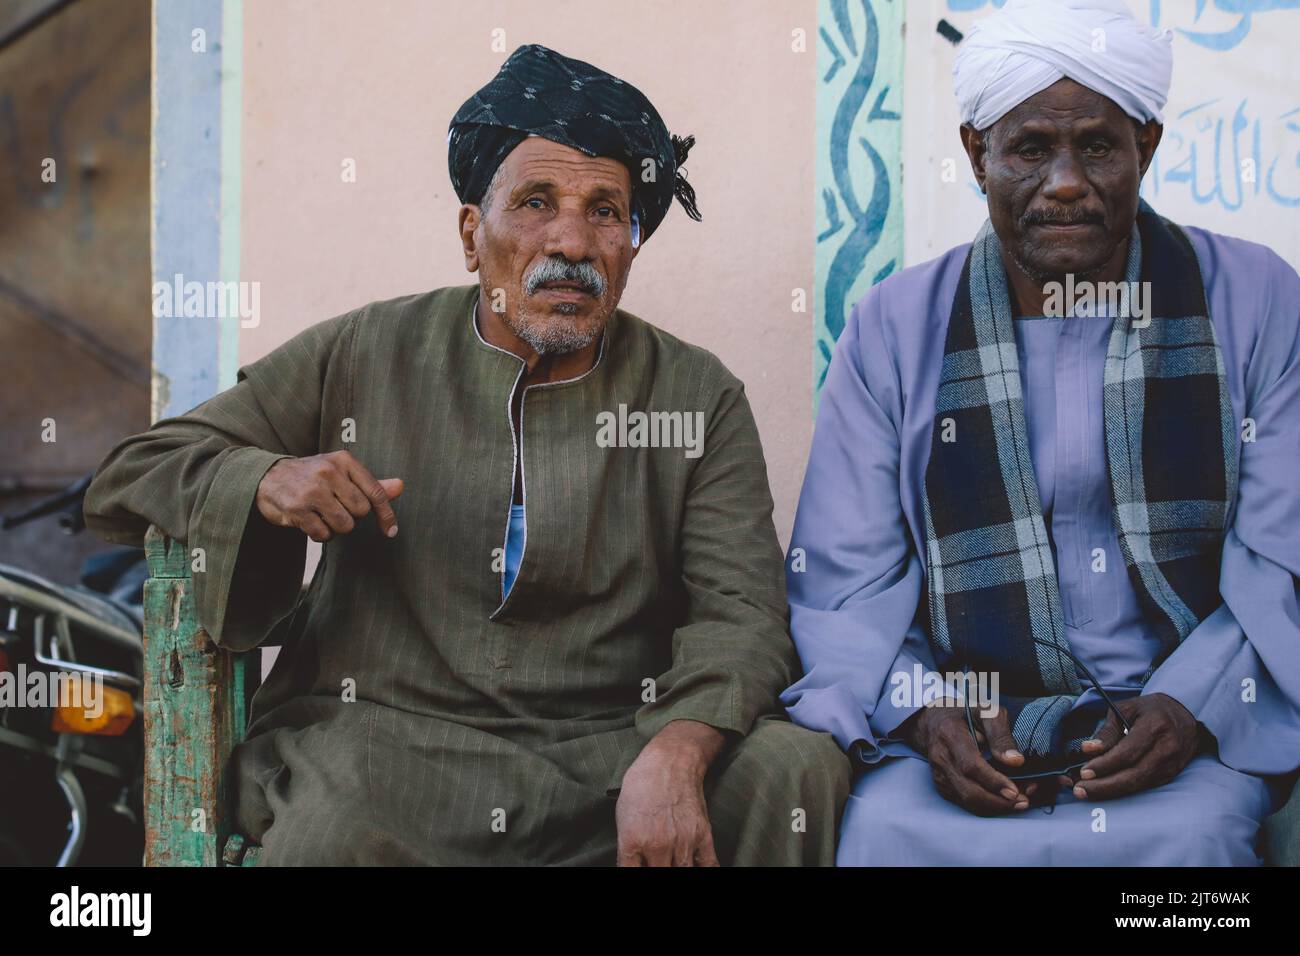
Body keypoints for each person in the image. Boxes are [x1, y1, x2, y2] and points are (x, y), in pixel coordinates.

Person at [85, 44, 849, 866]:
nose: (572, 241)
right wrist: (265, 477)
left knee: (792, 766)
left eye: (604, 211)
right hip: (390, 754)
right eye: (535, 202)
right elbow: (129, 475)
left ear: (631, 245)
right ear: (470, 234)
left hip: (609, 758)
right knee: (333, 833)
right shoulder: (366, 349)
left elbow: (743, 615)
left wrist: (676, 754)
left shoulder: (698, 396)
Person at [782, 0, 1300, 865]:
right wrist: (925, 712)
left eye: (1096, 146)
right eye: (1029, 149)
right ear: (975, 155)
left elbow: (1280, 554)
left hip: (1183, 735)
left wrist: (1193, 706)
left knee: (1196, 853)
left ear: (1149, 147)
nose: (1066, 181)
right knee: (882, 833)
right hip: (969, 735)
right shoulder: (894, 326)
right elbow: (845, 579)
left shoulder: (1257, 300)